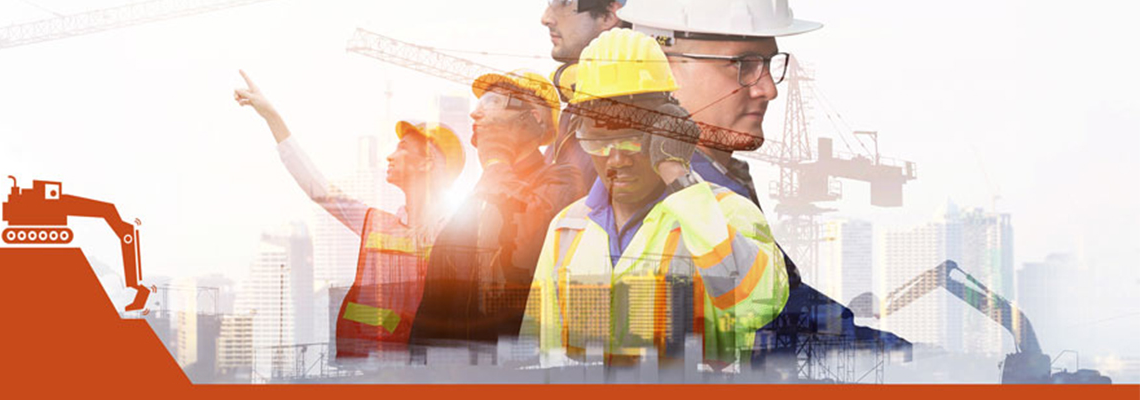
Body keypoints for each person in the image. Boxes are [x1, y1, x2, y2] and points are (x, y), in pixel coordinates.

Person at [618, 0, 911, 374]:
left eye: (770, 65)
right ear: (659, 67)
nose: (769, 90)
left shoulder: (712, 185)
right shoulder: (674, 203)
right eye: (743, 65)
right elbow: (792, 327)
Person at [522, 28, 789, 369]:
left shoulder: (728, 214)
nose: (616, 159)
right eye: (599, 144)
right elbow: (536, 355)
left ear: (666, 132)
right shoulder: (567, 229)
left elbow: (756, 304)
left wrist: (678, 174)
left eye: (632, 141)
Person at [233, 70, 465, 361]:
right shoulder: (377, 223)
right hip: (379, 368)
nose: (390, 156)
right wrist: (271, 116)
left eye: (403, 148)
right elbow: (318, 189)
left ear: (427, 164)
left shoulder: (458, 234)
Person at [408, 70, 583, 358]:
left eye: (493, 101)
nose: (476, 114)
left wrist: (496, 162)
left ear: (535, 117)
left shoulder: (563, 180)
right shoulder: (473, 201)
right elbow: (436, 301)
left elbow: (526, 246)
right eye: (479, 104)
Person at [540, 0, 628, 196]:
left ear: (608, 16)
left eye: (565, 3)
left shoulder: (623, 119)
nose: (545, 19)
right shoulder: (579, 101)